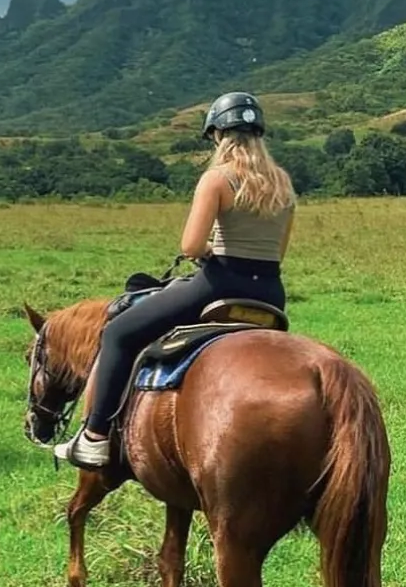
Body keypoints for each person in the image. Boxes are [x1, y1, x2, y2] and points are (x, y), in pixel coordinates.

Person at [54, 91, 295, 470]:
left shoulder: (217, 179)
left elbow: (191, 244)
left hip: (218, 285)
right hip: (269, 293)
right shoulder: (283, 184)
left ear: (217, 135)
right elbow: (277, 253)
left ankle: (95, 437)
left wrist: (210, 251)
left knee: (118, 332)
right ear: (259, 135)